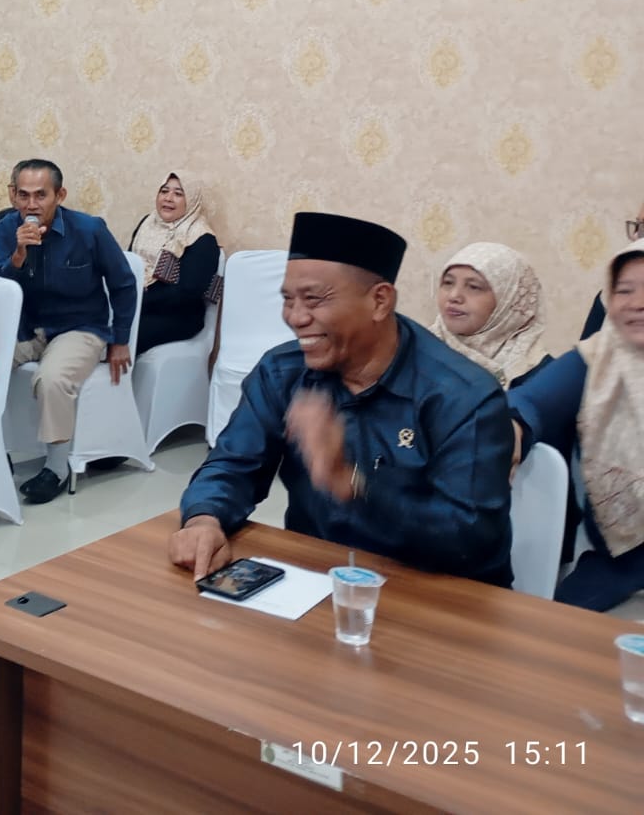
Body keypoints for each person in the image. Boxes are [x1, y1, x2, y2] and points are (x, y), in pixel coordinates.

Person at [169, 212, 515, 587]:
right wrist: (204, 519)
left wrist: (351, 482)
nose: (295, 318)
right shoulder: (283, 373)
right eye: (288, 299)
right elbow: (232, 465)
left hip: (441, 595)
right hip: (317, 580)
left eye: (313, 299)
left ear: (379, 301)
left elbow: (470, 539)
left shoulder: (463, 395)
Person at [0, 160, 138, 504]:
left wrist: (120, 339)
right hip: (28, 326)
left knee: (52, 378)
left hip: (80, 326)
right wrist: (18, 255)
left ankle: (56, 468)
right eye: (23, 195)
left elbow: (123, 284)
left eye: (40, 195)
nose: (31, 204)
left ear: (60, 195)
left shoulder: (89, 229)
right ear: (13, 196)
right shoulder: (6, 228)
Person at [510, 240, 644, 611]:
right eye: (624, 290)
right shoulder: (597, 358)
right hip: (620, 562)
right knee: (554, 629)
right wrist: (511, 428)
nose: (637, 303)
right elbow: (530, 401)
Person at [127, 171, 222, 356]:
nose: (168, 198)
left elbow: (188, 293)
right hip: (138, 303)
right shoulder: (147, 223)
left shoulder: (202, 238)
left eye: (178, 193)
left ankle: (113, 373)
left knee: (123, 333)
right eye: (164, 191)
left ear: (191, 200)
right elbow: (131, 265)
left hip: (178, 315)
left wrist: (139, 300)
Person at [432, 243, 548, 391]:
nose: (454, 296)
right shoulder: (414, 353)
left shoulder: (544, 378)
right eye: (448, 283)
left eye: (473, 287)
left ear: (507, 300)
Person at [581, 202, 644, 339]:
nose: (635, 236)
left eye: (643, 228)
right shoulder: (610, 294)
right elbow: (586, 349)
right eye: (637, 225)